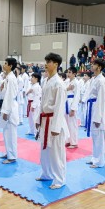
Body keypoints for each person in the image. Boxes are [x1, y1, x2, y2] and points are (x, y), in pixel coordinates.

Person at [36, 53, 69, 189]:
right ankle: (47, 174)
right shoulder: (46, 81)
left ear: (56, 64)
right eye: (46, 61)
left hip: (54, 121)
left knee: (56, 152)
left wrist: (55, 128)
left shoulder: (59, 84)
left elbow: (60, 107)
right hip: (45, 118)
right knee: (44, 149)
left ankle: (59, 179)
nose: (46, 64)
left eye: (48, 61)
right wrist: (38, 118)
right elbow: (42, 102)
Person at [85, 58, 105, 168]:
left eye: (94, 64)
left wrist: (97, 118)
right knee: (95, 135)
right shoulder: (94, 79)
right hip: (93, 106)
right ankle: (95, 158)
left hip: (98, 108)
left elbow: (101, 100)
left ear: (99, 67)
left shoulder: (101, 81)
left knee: (99, 136)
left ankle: (99, 161)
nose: (91, 65)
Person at [0, 58, 19, 164]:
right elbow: (2, 94)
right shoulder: (7, 77)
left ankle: (12, 156)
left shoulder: (11, 78)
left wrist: (6, 111)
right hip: (7, 105)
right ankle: (8, 152)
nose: (4, 65)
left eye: (6, 63)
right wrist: (1, 87)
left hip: (10, 107)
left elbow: (10, 95)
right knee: (6, 132)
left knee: (11, 133)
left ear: (11, 66)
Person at [65, 67, 80, 149]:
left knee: (72, 124)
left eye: (70, 72)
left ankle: (74, 142)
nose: (68, 74)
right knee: (66, 123)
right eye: (67, 72)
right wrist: (67, 88)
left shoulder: (76, 83)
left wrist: (73, 109)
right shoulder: (66, 81)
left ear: (74, 74)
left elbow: (77, 96)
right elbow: (62, 90)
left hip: (71, 102)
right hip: (66, 102)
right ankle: (68, 140)